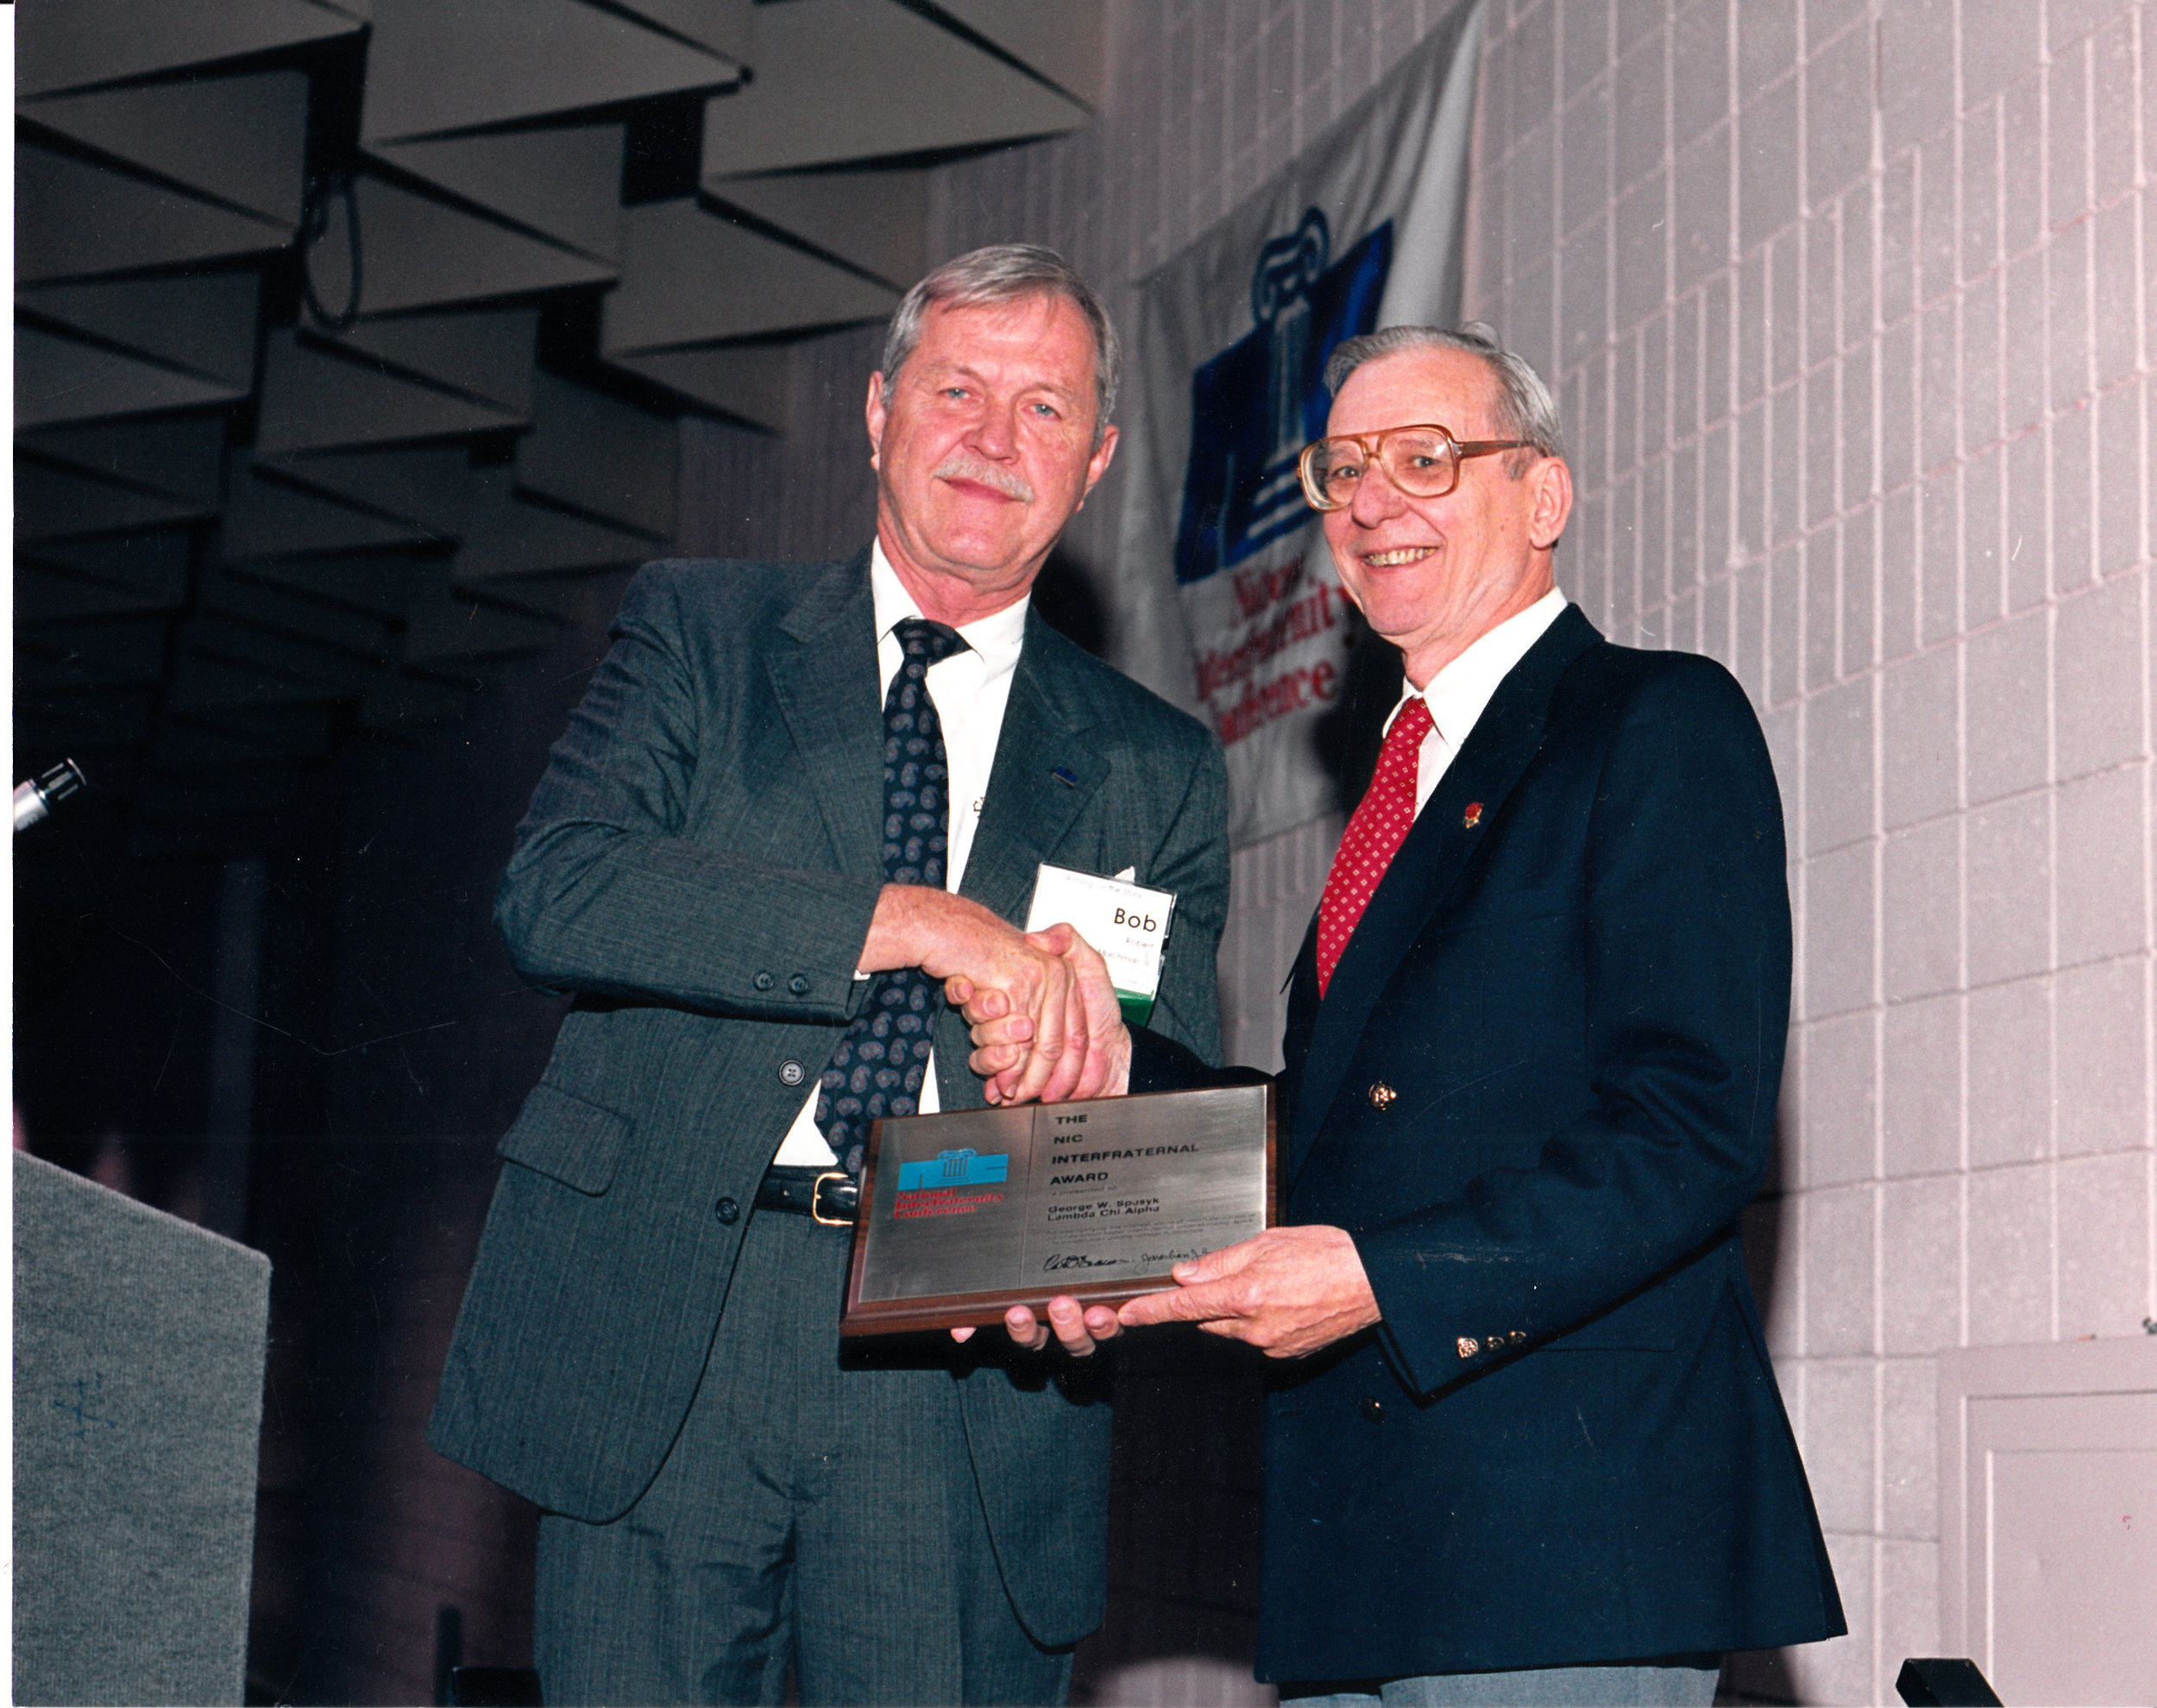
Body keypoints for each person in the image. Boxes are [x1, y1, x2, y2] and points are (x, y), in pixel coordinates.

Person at [963, 323, 1845, 1704]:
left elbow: (1692, 1128)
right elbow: (1338, 1148)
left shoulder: (1654, 719)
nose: (1373, 502)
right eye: (1343, 469)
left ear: (1541, 498)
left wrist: (1378, 1280)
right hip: (1363, 1557)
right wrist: (1115, 1063)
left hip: (1563, 1552)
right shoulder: (1399, 777)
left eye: (1426, 458)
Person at [427, 245, 1231, 1707]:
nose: (997, 440)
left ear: (1100, 458)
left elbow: (1157, 1102)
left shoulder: (1155, 765)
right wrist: (923, 923)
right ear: (876, 413)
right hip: (676, 1327)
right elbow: (561, 887)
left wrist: (1094, 1261)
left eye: (1046, 410)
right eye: (960, 391)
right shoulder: (703, 634)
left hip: (964, 1372)